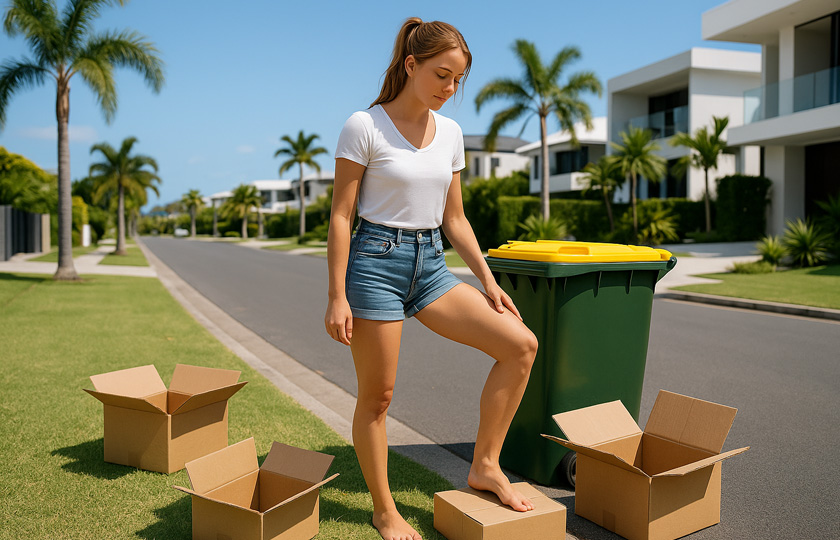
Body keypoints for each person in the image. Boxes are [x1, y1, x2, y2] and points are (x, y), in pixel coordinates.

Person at [325, 17, 538, 540]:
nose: (450, 88)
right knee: (378, 398)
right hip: (375, 263)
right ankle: (384, 510)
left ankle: (485, 465)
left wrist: (487, 281)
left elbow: (455, 218)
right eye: (442, 75)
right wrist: (336, 295)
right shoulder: (364, 126)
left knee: (520, 345)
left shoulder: (452, 134)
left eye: (457, 80)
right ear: (411, 64)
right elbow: (341, 215)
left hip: (432, 265)